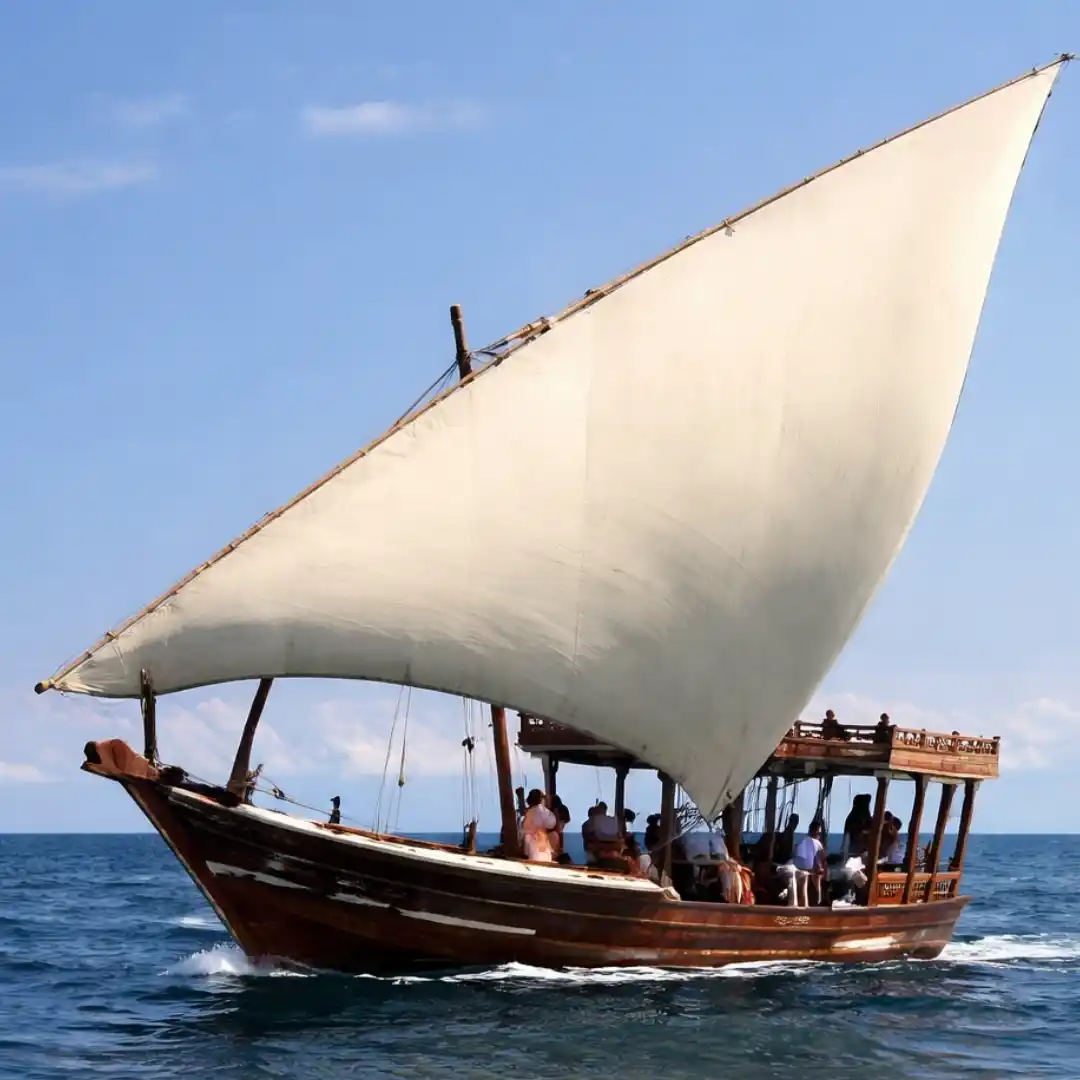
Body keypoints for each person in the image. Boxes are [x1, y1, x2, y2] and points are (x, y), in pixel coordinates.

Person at [792, 820, 827, 905]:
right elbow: (822, 859)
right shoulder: (817, 843)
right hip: (807, 870)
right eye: (819, 832)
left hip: (798, 869)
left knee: (801, 893)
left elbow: (795, 854)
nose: (819, 834)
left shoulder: (801, 840)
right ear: (815, 831)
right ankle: (817, 900)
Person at [521, 789, 557, 862]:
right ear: (541, 800)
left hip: (533, 846)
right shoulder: (544, 812)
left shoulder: (527, 814)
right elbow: (551, 824)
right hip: (540, 846)